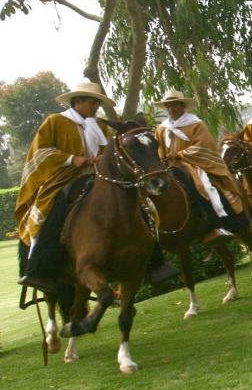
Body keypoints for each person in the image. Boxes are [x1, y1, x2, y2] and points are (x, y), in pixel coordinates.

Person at [16, 82, 178, 289]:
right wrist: (73, 159)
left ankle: (156, 262)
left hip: (100, 177)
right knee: (51, 212)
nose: (96, 107)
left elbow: (110, 153)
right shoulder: (55, 121)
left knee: (143, 205)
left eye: (98, 102)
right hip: (65, 179)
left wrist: (103, 160)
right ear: (78, 102)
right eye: (93, 102)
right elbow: (40, 152)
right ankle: (37, 269)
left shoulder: (100, 125)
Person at [154, 89, 252, 243]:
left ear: (182, 106)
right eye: (168, 106)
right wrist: (162, 159)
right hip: (170, 167)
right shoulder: (161, 129)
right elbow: (159, 148)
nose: (171, 109)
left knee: (203, 186)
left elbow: (203, 147)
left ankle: (215, 223)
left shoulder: (196, 124)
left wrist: (180, 154)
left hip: (193, 165)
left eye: (174, 105)